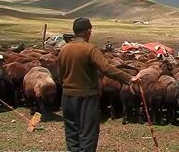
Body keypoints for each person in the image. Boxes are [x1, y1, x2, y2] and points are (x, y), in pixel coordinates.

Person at [58, 17, 141, 152]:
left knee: (71, 133)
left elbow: (60, 75)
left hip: (67, 97)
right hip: (86, 98)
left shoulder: (64, 49)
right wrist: (129, 78)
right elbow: (106, 68)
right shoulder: (90, 49)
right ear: (88, 31)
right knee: (88, 134)